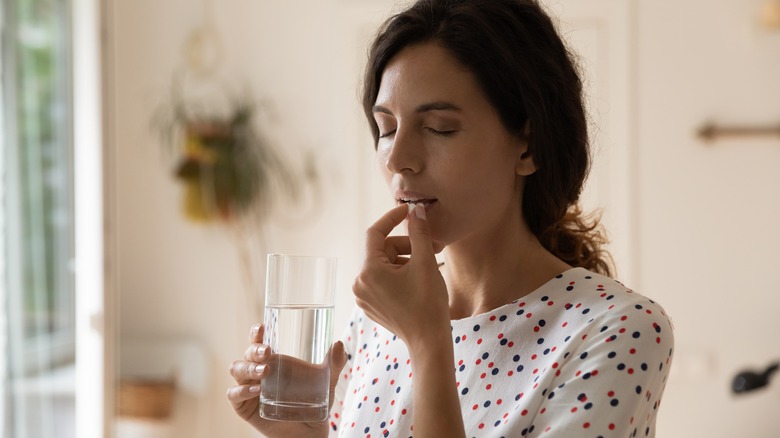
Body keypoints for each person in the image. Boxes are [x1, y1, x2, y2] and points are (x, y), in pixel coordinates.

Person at [227, 0, 674, 436]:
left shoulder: (618, 330)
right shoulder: (375, 323)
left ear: (528, 146)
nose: (398, 158)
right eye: (385, 129)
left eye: (438, 127)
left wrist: (428, 344)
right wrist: (304, 435)